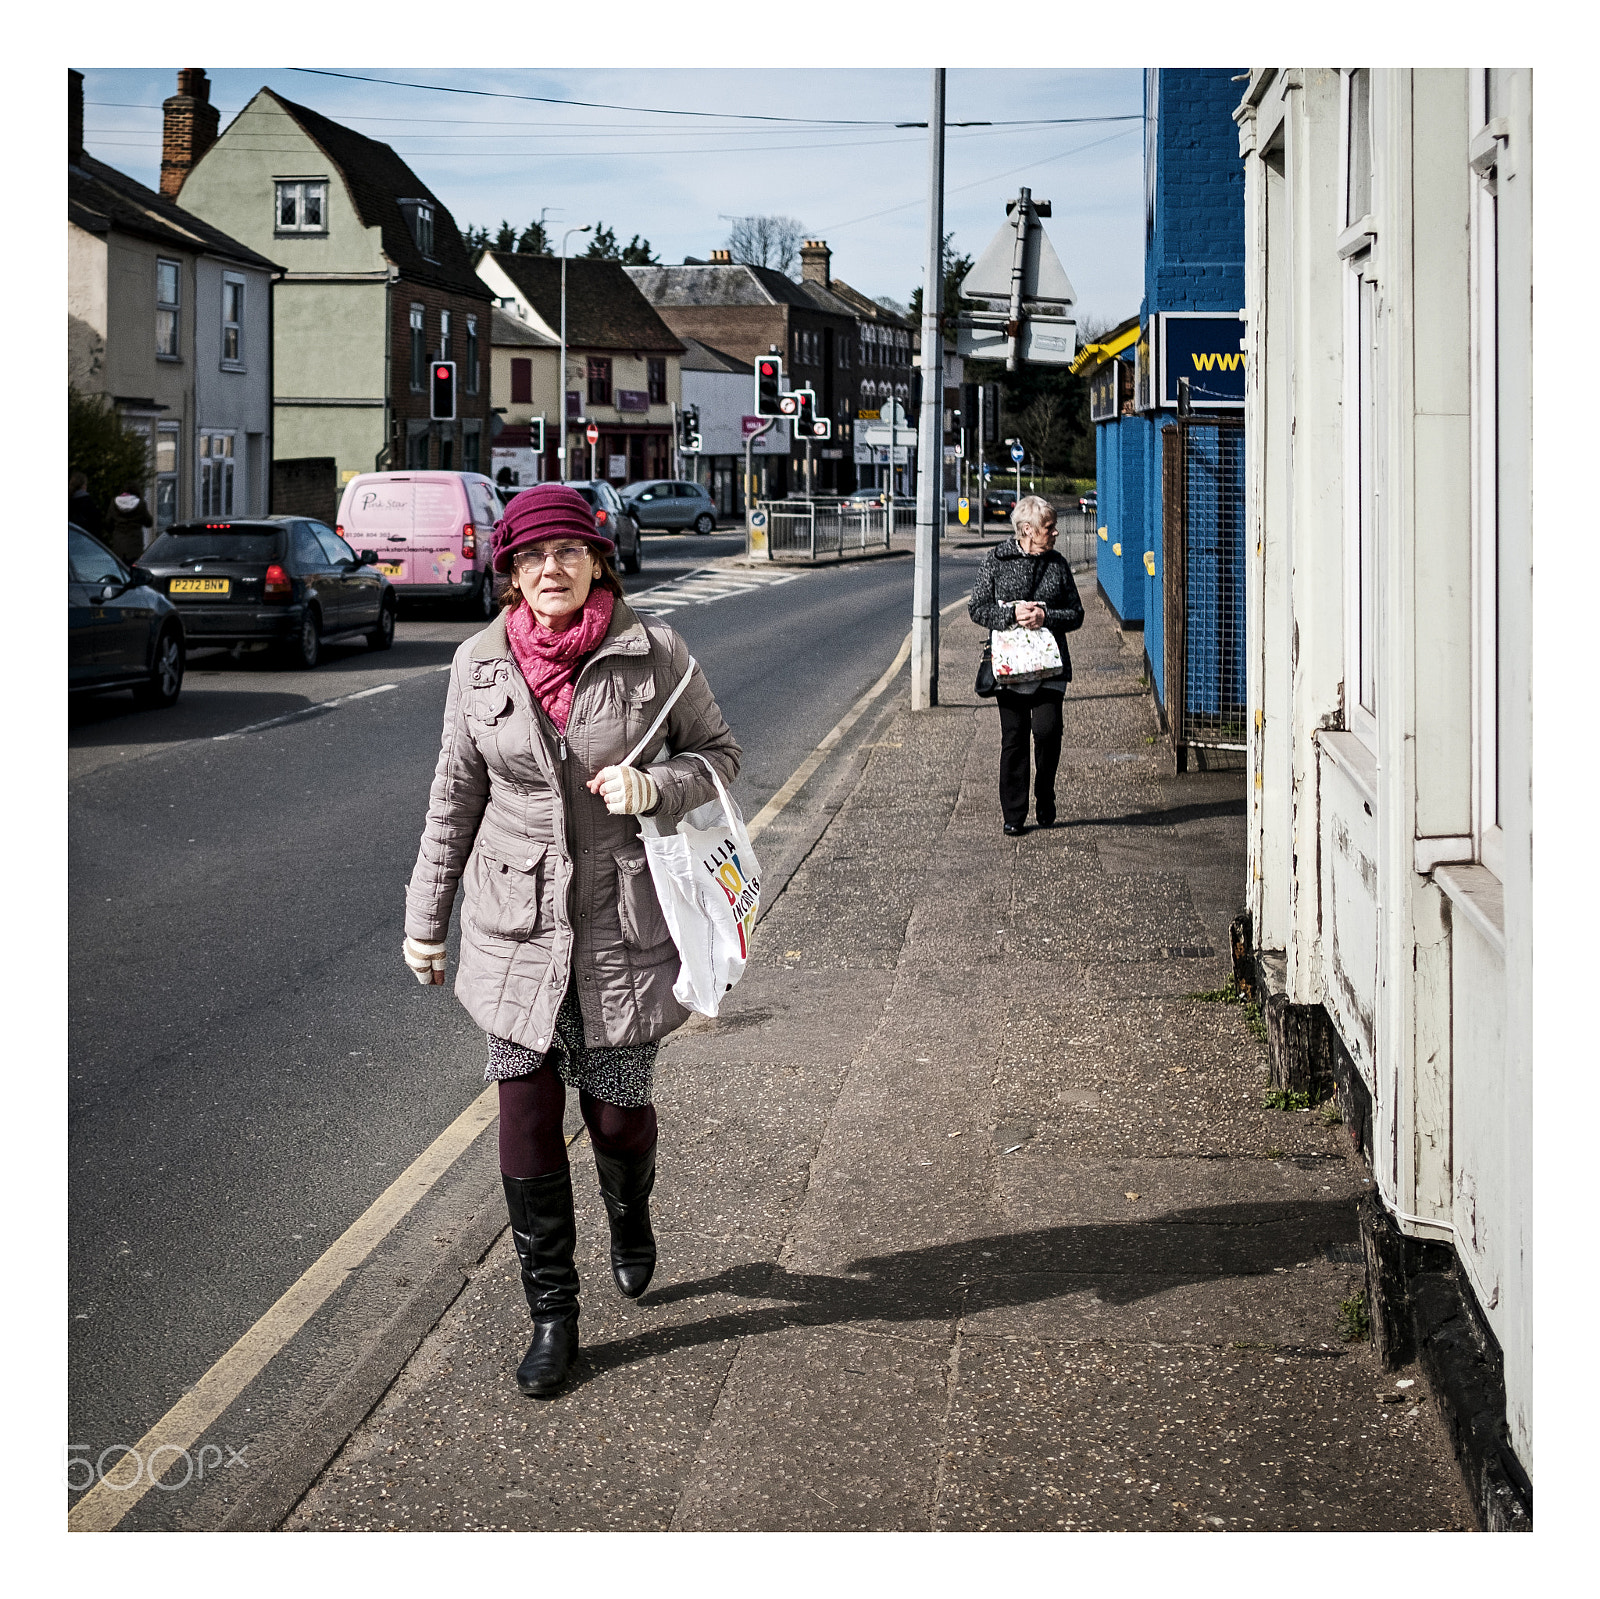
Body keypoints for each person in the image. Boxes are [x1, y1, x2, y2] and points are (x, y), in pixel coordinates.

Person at [402, 482, 741, 1400]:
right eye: (530, 557)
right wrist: (424, 921)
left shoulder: (654, 652)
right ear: (510, 573)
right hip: (515, 934)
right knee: (523, 1114)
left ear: (598, 560)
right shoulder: (476, 665)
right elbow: (452, 800)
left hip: (620, 933)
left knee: (617, 1118)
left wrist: (656, 789)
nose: (550, 569)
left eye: (567, 552)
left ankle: (631, 1216)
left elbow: (720, 756)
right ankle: (554, 1312)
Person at [968, 494, 1085, 834]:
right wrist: (1010, 614)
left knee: (1047, 732)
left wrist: (1046, 616)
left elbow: (1076, 614)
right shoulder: (996, 559)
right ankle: (1014, 815)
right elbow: (977, 608)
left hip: (1049, 665)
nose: (1056, 534)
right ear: (1028, 530)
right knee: (1014, 737)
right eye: (1050, 528)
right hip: (1010, 665)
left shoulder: (1058, 564)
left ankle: (1045, 793)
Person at [105, 483, 154, 566]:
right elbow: (149, 523)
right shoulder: (141, 504)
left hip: (118, 544)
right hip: (135, 546)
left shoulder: (114, 503)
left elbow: (108, 523)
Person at [68, 472, 101, 538]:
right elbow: (96, 524)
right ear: (83, 486)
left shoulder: (70, 500)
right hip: (86, 538)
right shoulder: (88, 502)